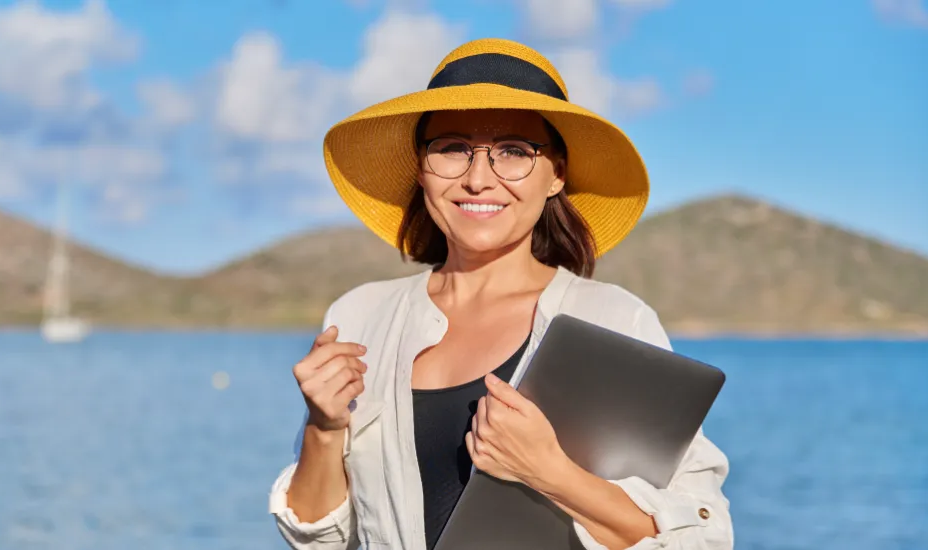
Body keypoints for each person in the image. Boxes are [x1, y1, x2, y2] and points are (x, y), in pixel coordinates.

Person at [268, 38, 733, 550]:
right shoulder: (359, 315)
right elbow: (317, 540)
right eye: (452, 150)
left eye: (514, 151)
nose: (477, 179)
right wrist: (324, 429)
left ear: (557, 173)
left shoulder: (615, 320)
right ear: (421, 170)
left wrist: (548, 471)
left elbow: (702, 537)